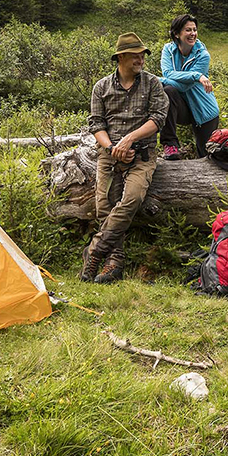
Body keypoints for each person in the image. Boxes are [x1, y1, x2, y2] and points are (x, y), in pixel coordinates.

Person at [82, 32, 170, 284]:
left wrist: (129, 139)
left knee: (132, 199)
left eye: (142, 55)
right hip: (109, 155)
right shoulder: (101, 87)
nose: (141, 59)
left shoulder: (152, 84)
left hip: (142, 155)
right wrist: (113, 149)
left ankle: (95, 250)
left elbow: (158, 119)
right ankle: (115, 261)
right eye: (135, 55)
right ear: (121, 57)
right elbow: (96, 124)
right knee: (103, 206)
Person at [158, 14, 220, 160]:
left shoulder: (203, 55)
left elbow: (183, 87)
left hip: (203, 110)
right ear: (176, 34)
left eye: (194, 30)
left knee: (206, 156)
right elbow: (167, 73)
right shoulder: (168, 50)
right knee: (168, 91)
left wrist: (157, 80)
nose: (193, 33)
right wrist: (197, 76)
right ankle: (170, 145)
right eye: (188, 30)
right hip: (182, 107)